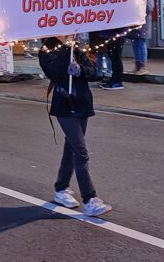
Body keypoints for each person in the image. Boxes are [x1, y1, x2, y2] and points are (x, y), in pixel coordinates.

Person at [38, 36, 112, 217]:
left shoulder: (76, 50)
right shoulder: (46, 52)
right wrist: (66, 51)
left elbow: (93, 72)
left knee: (71, 148)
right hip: (65, 105)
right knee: (81, 152)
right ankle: (89, 199)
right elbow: (53, 72)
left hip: (82, 104)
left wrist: (80, 70)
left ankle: (61, 188)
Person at [128, 0, 154, 75]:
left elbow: (149, 8)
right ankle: (137, 65)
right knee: (135, 44)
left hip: (143, 23)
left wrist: (137, 7)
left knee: (141, 44)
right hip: (134, 24)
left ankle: (143, 66)